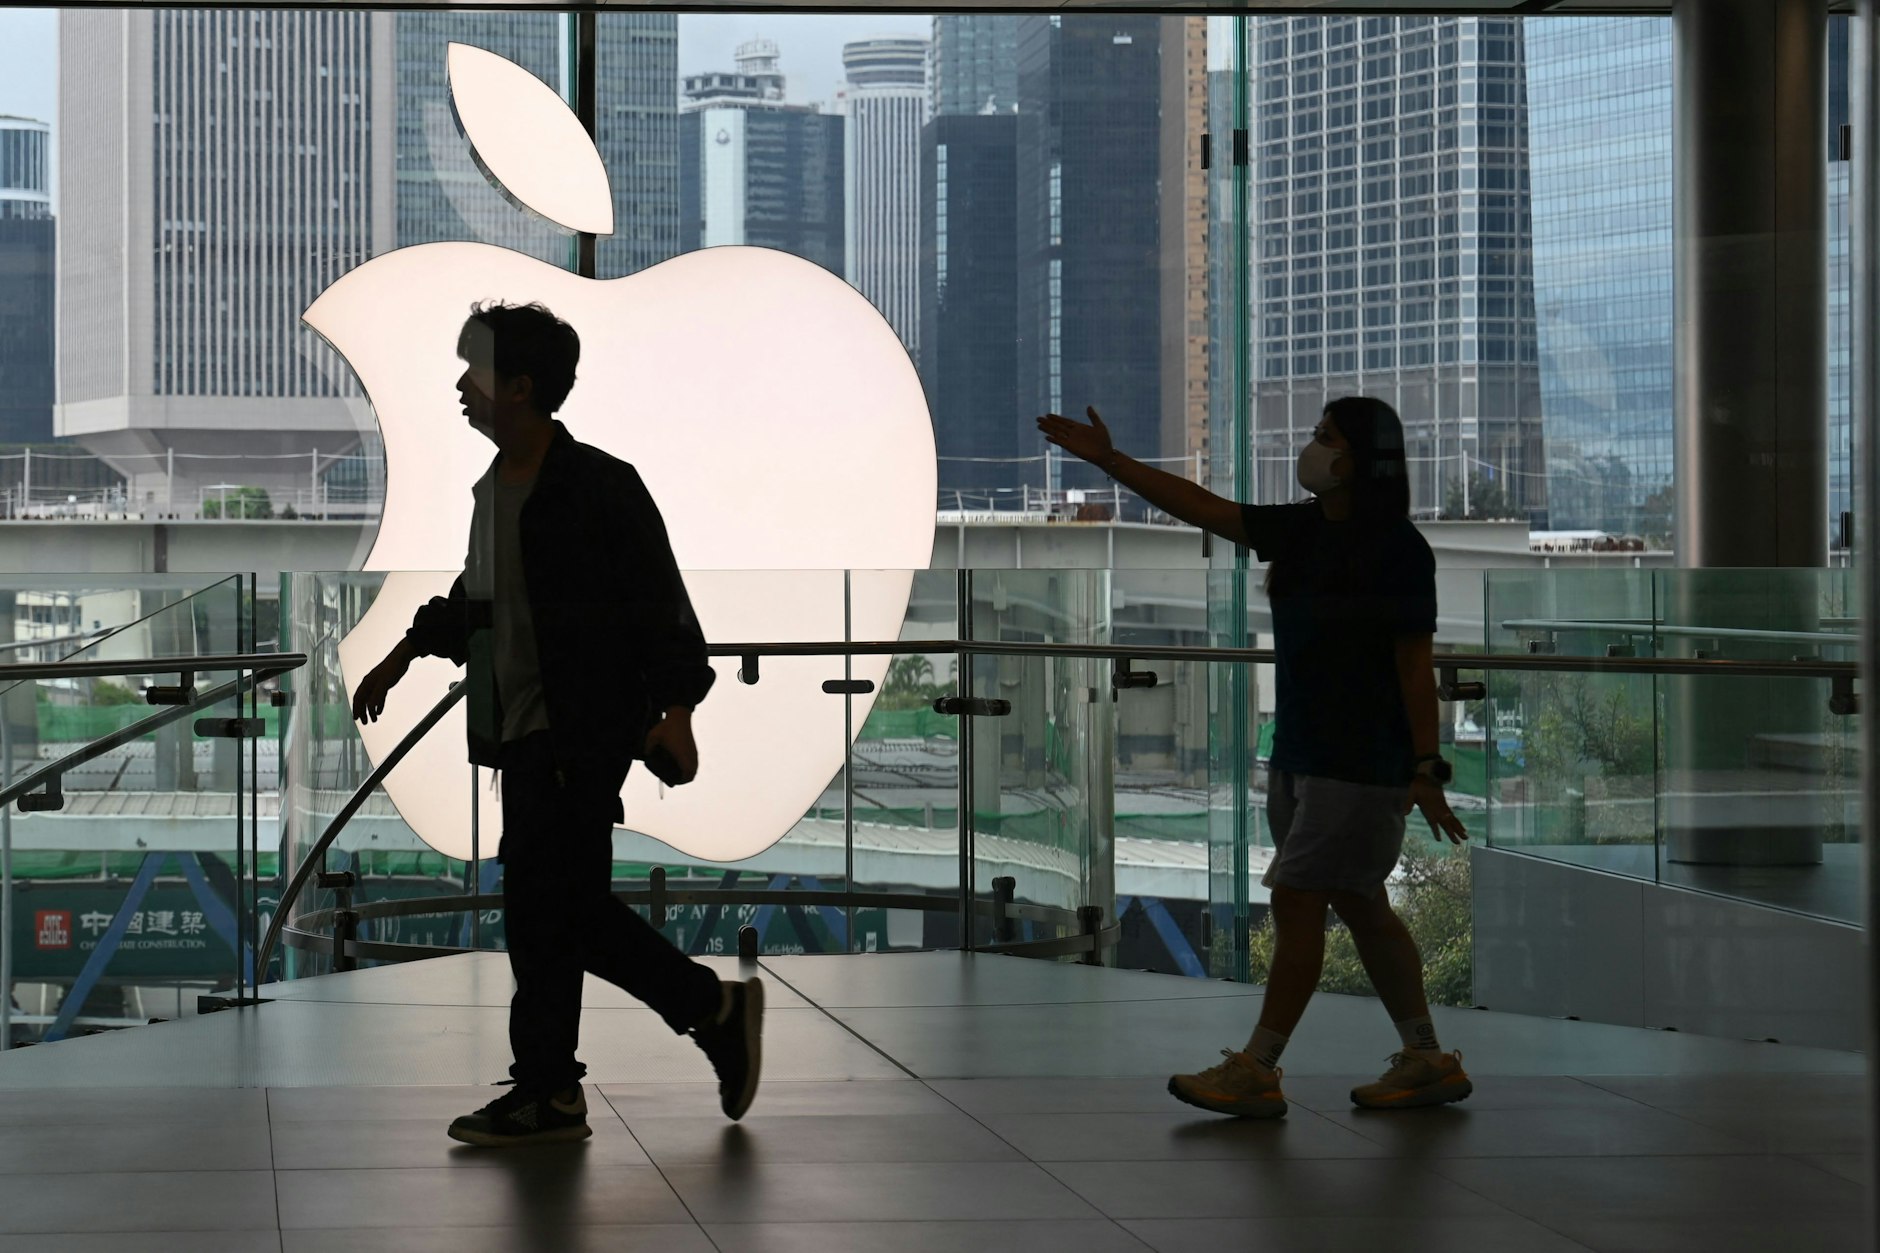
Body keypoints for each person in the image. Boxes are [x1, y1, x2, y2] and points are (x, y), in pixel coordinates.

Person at [352, 301, 763, 1146]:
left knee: (550, 911)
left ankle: (576, 1075)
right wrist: (404, 653)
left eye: (476, 370)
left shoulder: (599, 486)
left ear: (521, 385)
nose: (463, 386)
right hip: (522, 734)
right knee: (559, 912)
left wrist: (678, 711)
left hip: (580, 735)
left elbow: (661, 605)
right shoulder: (495, 491)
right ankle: (665, 1033)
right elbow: (477, 598)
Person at [1037, 398, 1471, 1118]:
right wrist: (1111, 462)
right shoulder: (1303, 530)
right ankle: (1426, 1057)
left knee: (1297, 901)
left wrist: (1426, 767)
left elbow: (1413, 664)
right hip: (1299, 754)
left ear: (1360, 459)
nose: (1312, 447)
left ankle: (1258, 1066)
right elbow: (1206, 509)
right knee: (1361, 904)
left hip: (1360, 763)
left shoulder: (1398, 549)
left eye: (1326, 437)